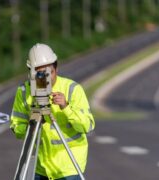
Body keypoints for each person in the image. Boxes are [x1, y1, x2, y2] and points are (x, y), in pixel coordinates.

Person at [10, 43, 95, 179]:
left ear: (56, 69)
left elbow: (87, 126)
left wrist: (66, 107)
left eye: (48, 73)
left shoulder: (72, 89)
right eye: (38, 73)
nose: (44, 78)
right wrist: (31, 126)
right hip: (40, 167)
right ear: (30, 71)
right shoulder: (24, 91)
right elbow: (16, 127)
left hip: (69, 167)